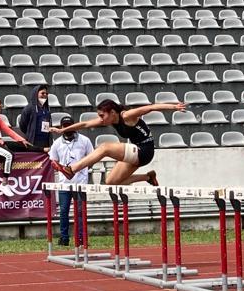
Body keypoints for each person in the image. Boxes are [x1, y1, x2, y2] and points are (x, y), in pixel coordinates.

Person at [51, 98, 182, 186]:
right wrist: (62, 130)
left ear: (113, 112)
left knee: (105, 148)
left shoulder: (126, 115)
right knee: (111, 182)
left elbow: (150, 108)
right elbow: (85, 124)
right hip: (135, 151)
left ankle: (71, 169)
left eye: (102, 115)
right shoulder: (110, 119)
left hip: (145, 151)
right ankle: (148, 177)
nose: (100, 119)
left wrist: (173, 107)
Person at [49, 116, 92, 246]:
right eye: (65, 126)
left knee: (80, 211)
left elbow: (92, 156)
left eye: (70, 125)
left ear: (74, 126)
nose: (67, 128)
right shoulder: (57, 143)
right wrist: (58, 167)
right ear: (61, 127)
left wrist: (84, 170)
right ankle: (64, 237)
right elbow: (53, 160)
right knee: (63, 211)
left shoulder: (84, 140)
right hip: (64, 183)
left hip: (80, 182)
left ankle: (80, 238)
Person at [17, 85, 51, 152]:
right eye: (42, 93)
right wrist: (31, 132)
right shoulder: (29, 108)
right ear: (36, 94)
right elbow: (23, 125)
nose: (45, 95)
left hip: (45, 141)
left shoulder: (47, 108)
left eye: (46, 93)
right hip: (34, 141)